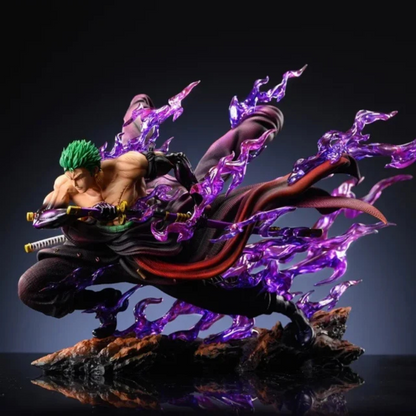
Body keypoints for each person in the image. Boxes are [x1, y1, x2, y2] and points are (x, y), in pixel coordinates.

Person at [18, 95, 384, 347]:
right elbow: (43, 217)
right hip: (94, 251)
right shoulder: (66, 186)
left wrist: (195, 194)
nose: (76, 183)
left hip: (153, 247)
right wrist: (70, 214)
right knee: (32, 288)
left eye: (82, 176)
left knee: (218, 294)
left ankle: (290, 311)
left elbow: (177, 160)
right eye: (72, 178)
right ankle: (104, 301)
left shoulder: (128, 166)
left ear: (97, 168)